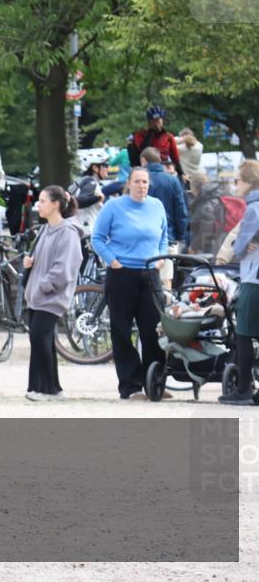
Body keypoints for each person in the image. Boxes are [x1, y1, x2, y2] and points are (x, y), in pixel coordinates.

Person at [91, 167, 169, 400]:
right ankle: (131, 384)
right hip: (122, 273)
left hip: (150, 272)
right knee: (122, 331)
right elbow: (97, 238)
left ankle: (154, 382)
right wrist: (113, 261)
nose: (142, 185)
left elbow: (164, 234)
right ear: (129, 184)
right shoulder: (114, 207)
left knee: (153, 330)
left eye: (145, 182)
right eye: (137, 181)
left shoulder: (156, 206)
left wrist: (162, 256)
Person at [22, 186, 83, 401]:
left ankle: (44, 389)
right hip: (37, 296)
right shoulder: (45, 229)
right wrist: (30, 263)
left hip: (52, 296)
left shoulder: (68, 233)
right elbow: (42, 258)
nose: (39, 205)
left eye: (43, 201)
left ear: (56, 204)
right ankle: (52, 389)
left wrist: (44, 285)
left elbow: (65, 267)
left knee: (39, 337)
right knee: (42, 340)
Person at [218, 160, 259, 404]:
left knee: (243, 333)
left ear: (248, 182)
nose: (235, 186)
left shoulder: (253, 208)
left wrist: (237, 245)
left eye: (237, 181)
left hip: (254, 278)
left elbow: (241, 246)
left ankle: (243, 389)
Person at [141, 147, 189, 289]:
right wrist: (179, 235)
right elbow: (181, 211)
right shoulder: (172, 181)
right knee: (166, 279)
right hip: (168, 236)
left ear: (144, 161)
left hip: (142, 237)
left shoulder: (140, 180)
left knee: (144, 281)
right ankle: (165, 309)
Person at [127, 106, 183, 178]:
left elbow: (175, 158)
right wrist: (150, 133)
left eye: (159, 120)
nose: (157, 123)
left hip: (163, 170)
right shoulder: (140, 135)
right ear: (149, 122)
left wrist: (181, 173)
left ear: (162, 120)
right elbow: (143, 152)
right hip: (145, 170)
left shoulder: (168, 137)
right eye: (154, 121)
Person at [188, 173, 230, 256]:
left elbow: (207, 229)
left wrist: (194, 246)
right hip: (223, 240)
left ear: (195, 188)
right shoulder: (217, 194)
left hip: (213, 245)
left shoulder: (206, 202)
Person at [70, 158, 108, 235]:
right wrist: (98, 198)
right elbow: (79, 201)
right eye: (105, 165)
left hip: (81, 230)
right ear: (95, 168)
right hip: (87, 232)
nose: (108, 168)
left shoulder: (83, 181)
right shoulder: (91, 181)